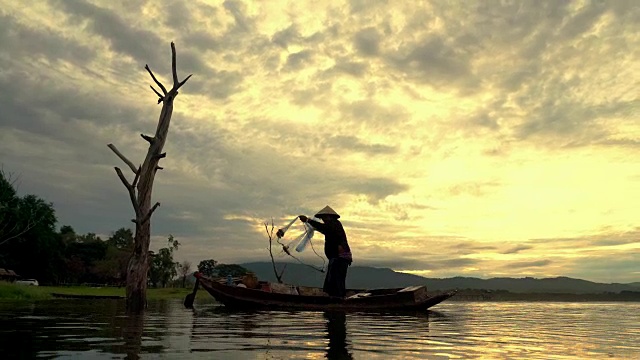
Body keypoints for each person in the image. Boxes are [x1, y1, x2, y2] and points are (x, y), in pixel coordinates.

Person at [299, 205, 352, 298]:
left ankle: (338, 299)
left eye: (324, 217)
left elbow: (323, 228)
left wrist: (308, 220)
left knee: (336, 280)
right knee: (334, 280)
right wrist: (309, 221)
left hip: (340, 257)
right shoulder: (331, 226)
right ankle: (336, 298)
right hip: (337, 257)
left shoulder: (334, 224)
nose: (323, 220)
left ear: (329, 216)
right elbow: (322, 228)